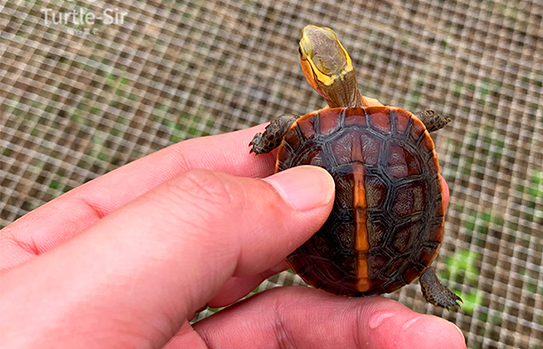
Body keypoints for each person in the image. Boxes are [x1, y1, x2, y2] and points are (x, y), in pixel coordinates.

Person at [0, 125, 466, 349]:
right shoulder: (406, 130)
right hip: (391, 246)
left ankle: (422, 271)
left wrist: (272, 139)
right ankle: (421, 269)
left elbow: (280, 136)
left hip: (325, 251)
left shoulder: (303, 131)